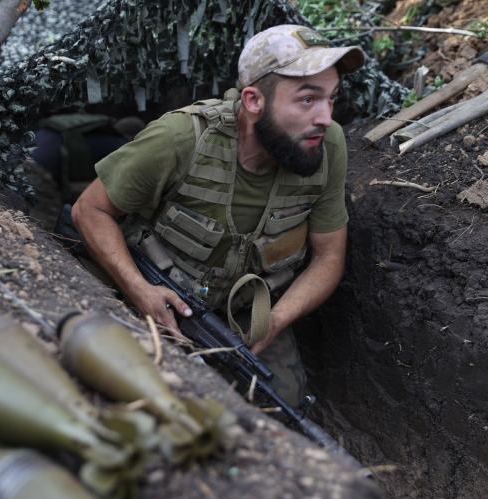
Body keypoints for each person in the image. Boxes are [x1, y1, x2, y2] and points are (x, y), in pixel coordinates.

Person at [71, 24, 364, 407]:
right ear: (254, 100)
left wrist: (274, 320)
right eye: (308, 100)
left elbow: (329, 257)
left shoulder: (328, 146)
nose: (326, 117)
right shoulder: (179, 138)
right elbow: (89, 210)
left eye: (332, 99)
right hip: (154, 289)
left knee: (281, 405)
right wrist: (139, 290)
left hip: (242, 313)